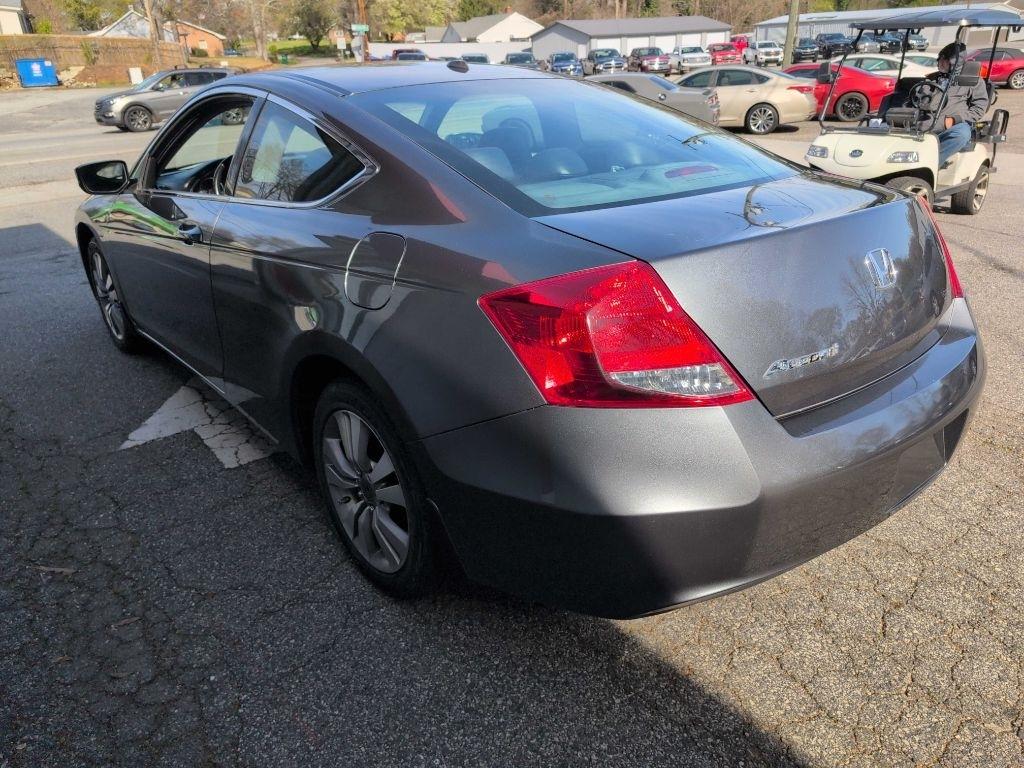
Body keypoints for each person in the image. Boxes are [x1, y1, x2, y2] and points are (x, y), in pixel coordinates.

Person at [919, 42, 990, 167]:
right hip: (925, 123)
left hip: (952, 126)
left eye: (945, 60)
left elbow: (979, 108)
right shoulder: (931, 79)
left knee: (961, 134)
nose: (940, 63)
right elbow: (918, 100)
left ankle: (930, 166)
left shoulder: (972, 81)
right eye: (939, 59)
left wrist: (956, 119)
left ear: (954, 62)